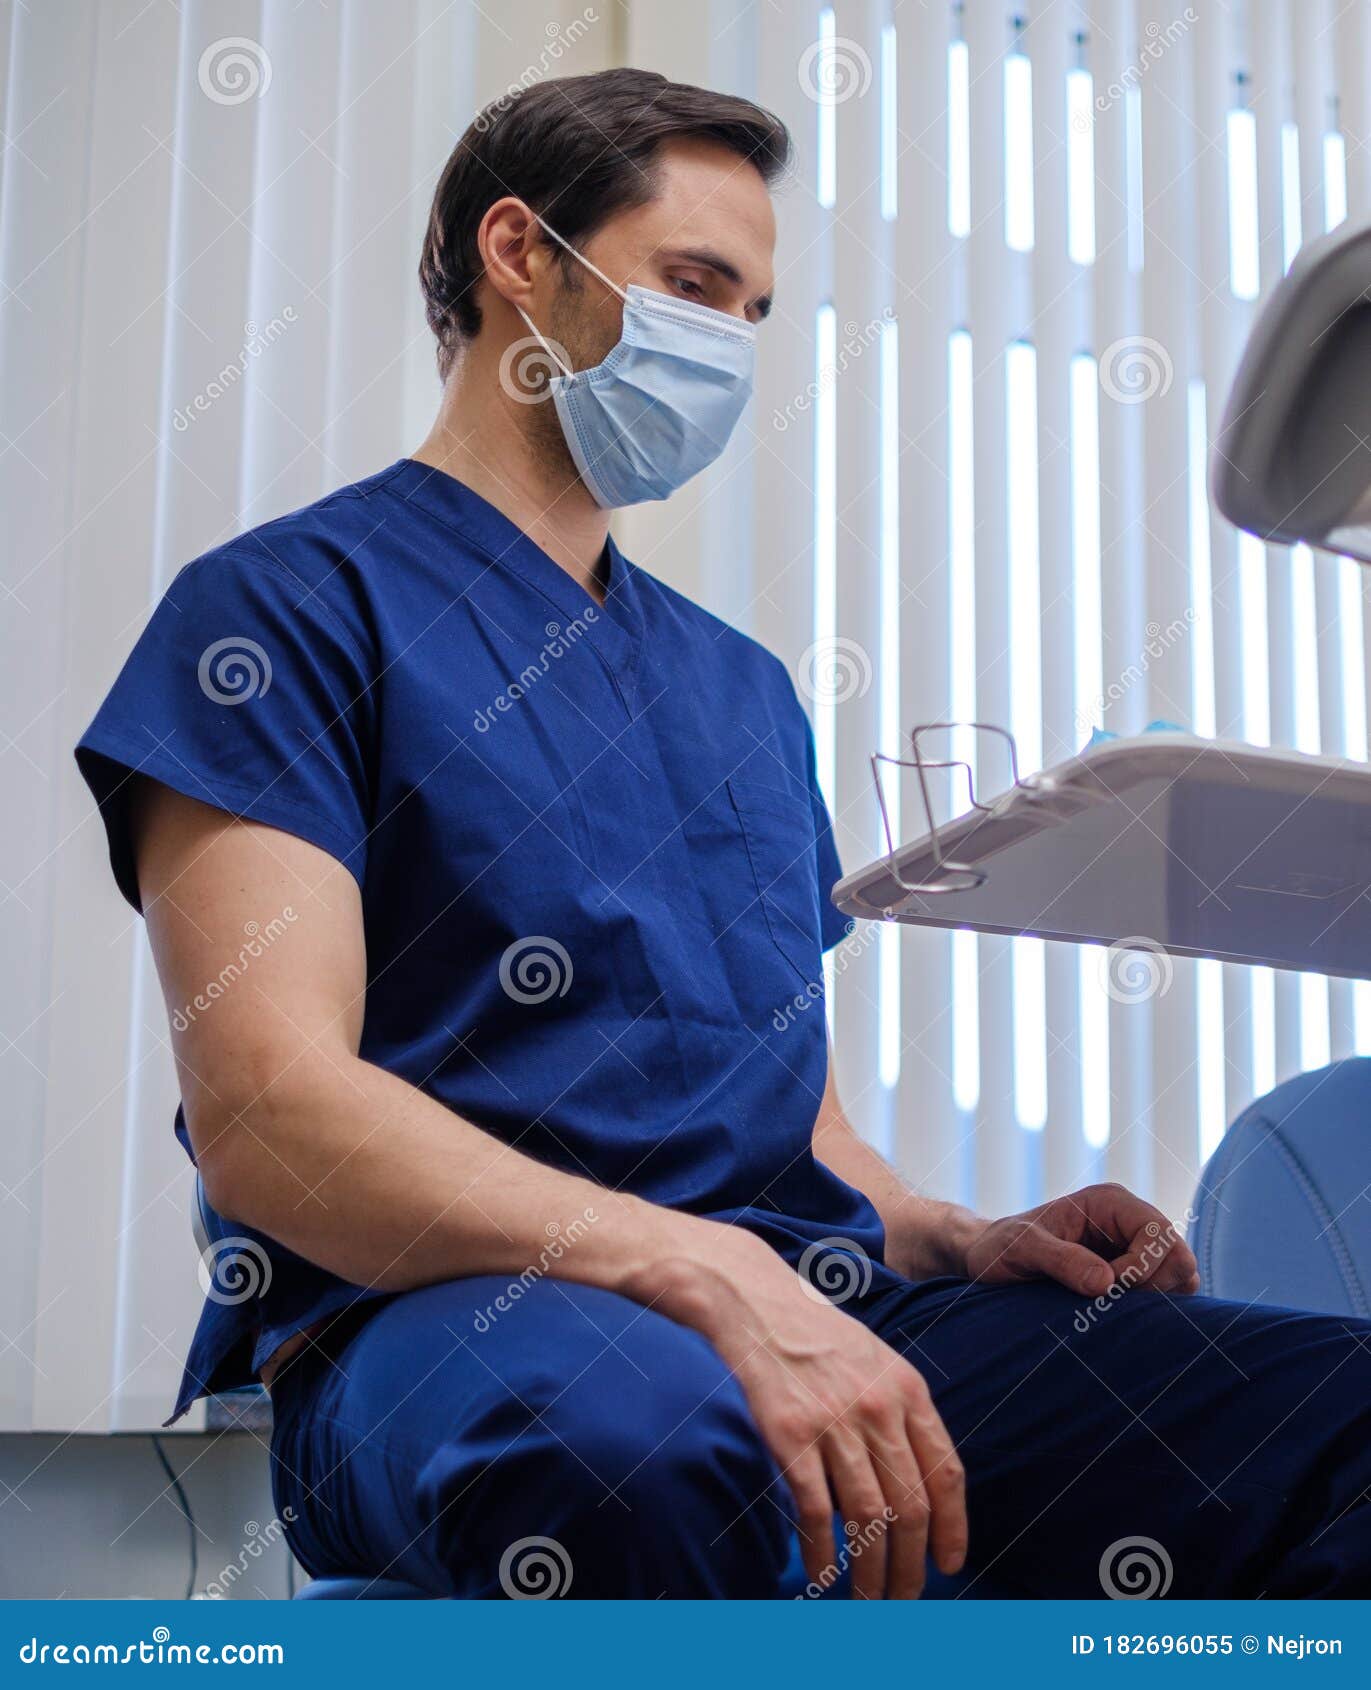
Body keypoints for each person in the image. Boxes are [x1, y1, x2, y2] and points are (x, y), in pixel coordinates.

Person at [77, 69, 1371, 1599]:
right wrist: (698, 1265)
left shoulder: (745, 695)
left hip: (812, 1303)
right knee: (639, 1444)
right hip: (449, 1324)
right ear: (518, 254)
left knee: (1334, 1419)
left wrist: (952, 1234)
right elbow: (272, 1113)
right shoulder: (284, 612)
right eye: (694, 285)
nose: (731, 346)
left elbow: (789, 1127)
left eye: (755, 311)